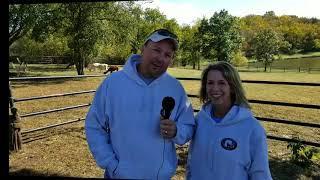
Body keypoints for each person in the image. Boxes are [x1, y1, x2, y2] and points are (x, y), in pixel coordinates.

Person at [85, 29, 195, 179]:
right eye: (157, 50)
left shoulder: (175, 88)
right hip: (118, 175)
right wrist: (111, 164)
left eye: (167, 55)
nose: (161, 58)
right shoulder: (113, 83)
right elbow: (95, 126)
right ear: (143, 48)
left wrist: (177, 131)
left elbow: (188, 126)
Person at [186, 61, 272, 180]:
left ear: (232, 87)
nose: (215, 88)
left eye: (222, 83)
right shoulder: (200, 120)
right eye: (210, 83)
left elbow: (260, 173)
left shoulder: (252, 128)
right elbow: (192, 160)